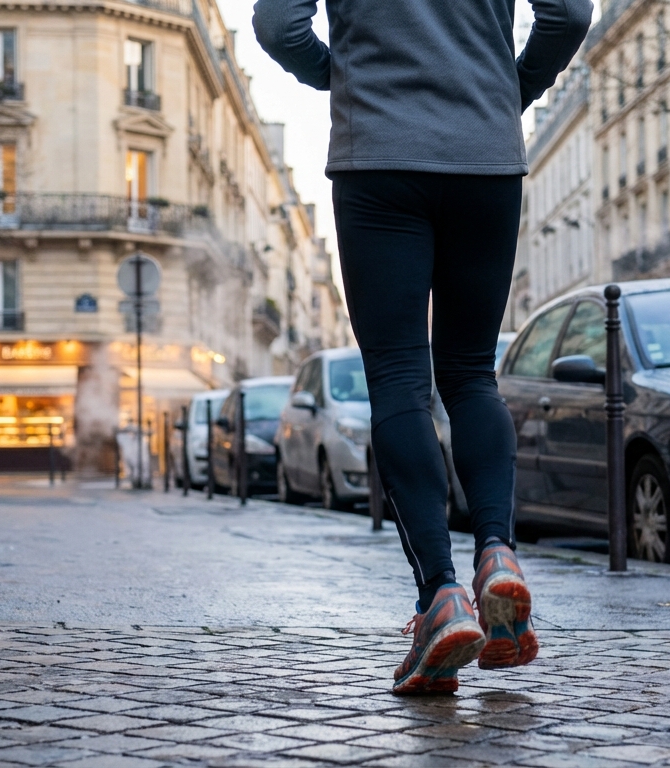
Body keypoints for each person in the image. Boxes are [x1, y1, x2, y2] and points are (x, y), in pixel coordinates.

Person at [253, 0, 592, 695]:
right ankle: (496, 553)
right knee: (471, 373)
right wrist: (509, 86)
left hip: (376, 155)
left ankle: (440, 596)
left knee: (399, 379)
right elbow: (569, 12)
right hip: (485, 154)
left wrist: (341, 76)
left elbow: (278, 26)